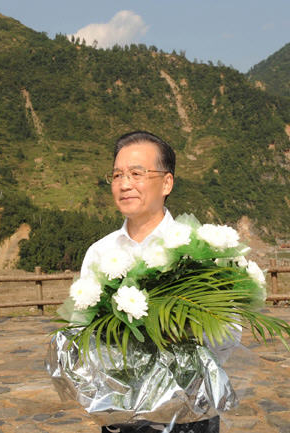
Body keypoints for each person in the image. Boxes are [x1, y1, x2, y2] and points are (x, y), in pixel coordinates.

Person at [79, 131, 220, 433]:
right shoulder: (100, 253)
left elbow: (228, 333)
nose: (124, 184)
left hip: (189, 414)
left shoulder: (197, 250)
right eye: (117, 175)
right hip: (121, 415)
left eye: (136, 174)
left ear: (167, 183)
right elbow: (83, 332)